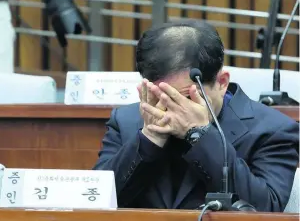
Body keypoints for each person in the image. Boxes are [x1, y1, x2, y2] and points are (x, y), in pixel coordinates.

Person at [93, 21, 299, 211]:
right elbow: (97, 201)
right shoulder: (125, 120)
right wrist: (150, 137)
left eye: (185, 98)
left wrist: (202, 135)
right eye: (161, 97)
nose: (173, 110)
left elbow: (265, 209)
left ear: (221, 82)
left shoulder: (273, 130)